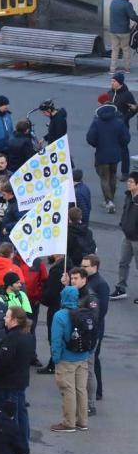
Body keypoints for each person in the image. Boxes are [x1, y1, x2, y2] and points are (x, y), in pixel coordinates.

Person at [0, 306, 34, 446]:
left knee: (8, 416)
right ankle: (23, 443)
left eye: (7, 316)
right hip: (20, 382)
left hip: (6, 385)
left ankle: (10, 446)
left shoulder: (11, 339)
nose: (4, 319)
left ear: (14, 320)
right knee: (21, 413)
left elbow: (2, 363)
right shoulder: (29, 336)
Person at [49, 286, 92, 433]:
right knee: (81, 389)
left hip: (66, 359)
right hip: (83, 357)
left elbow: (56, 339)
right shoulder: (84, 313)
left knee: (68, 390)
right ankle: (83, 421)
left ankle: (69, 423)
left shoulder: (60, 315)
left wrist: (55, 358)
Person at [86, 100, 131, 213]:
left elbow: (90, 138)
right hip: (115, 154)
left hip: (102, 154)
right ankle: (111, 198)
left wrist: (97, 144)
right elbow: (126, 138)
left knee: (104, 178)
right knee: (113, 175)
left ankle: (109, 201)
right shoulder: (119, 122)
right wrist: (119, 144)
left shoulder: (96, 122)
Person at [81, 254, 109, 412]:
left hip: (94, 329)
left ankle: (97, 391)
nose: (83, 268)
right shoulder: (88, 280)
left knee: (93, 360)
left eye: (86, 266)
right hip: (88, 327)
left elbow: (102, 309)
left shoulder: (101, 284)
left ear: (95, 267)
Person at [110, 172, 138, 302]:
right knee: (123, 262)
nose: (128, 183)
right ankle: (121, 288)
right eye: (128, 181)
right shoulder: (128, 196)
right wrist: (123, 224)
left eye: (131, 182)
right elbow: (126, 210)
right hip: (127, 236)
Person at [109, 0, 138, 74]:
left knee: (115, 50)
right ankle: (127, 68)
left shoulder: (113, 1)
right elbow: (133, 16)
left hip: (113, 31)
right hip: (124, 31)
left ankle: (112, 69)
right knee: (125, 49)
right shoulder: (127, 4)